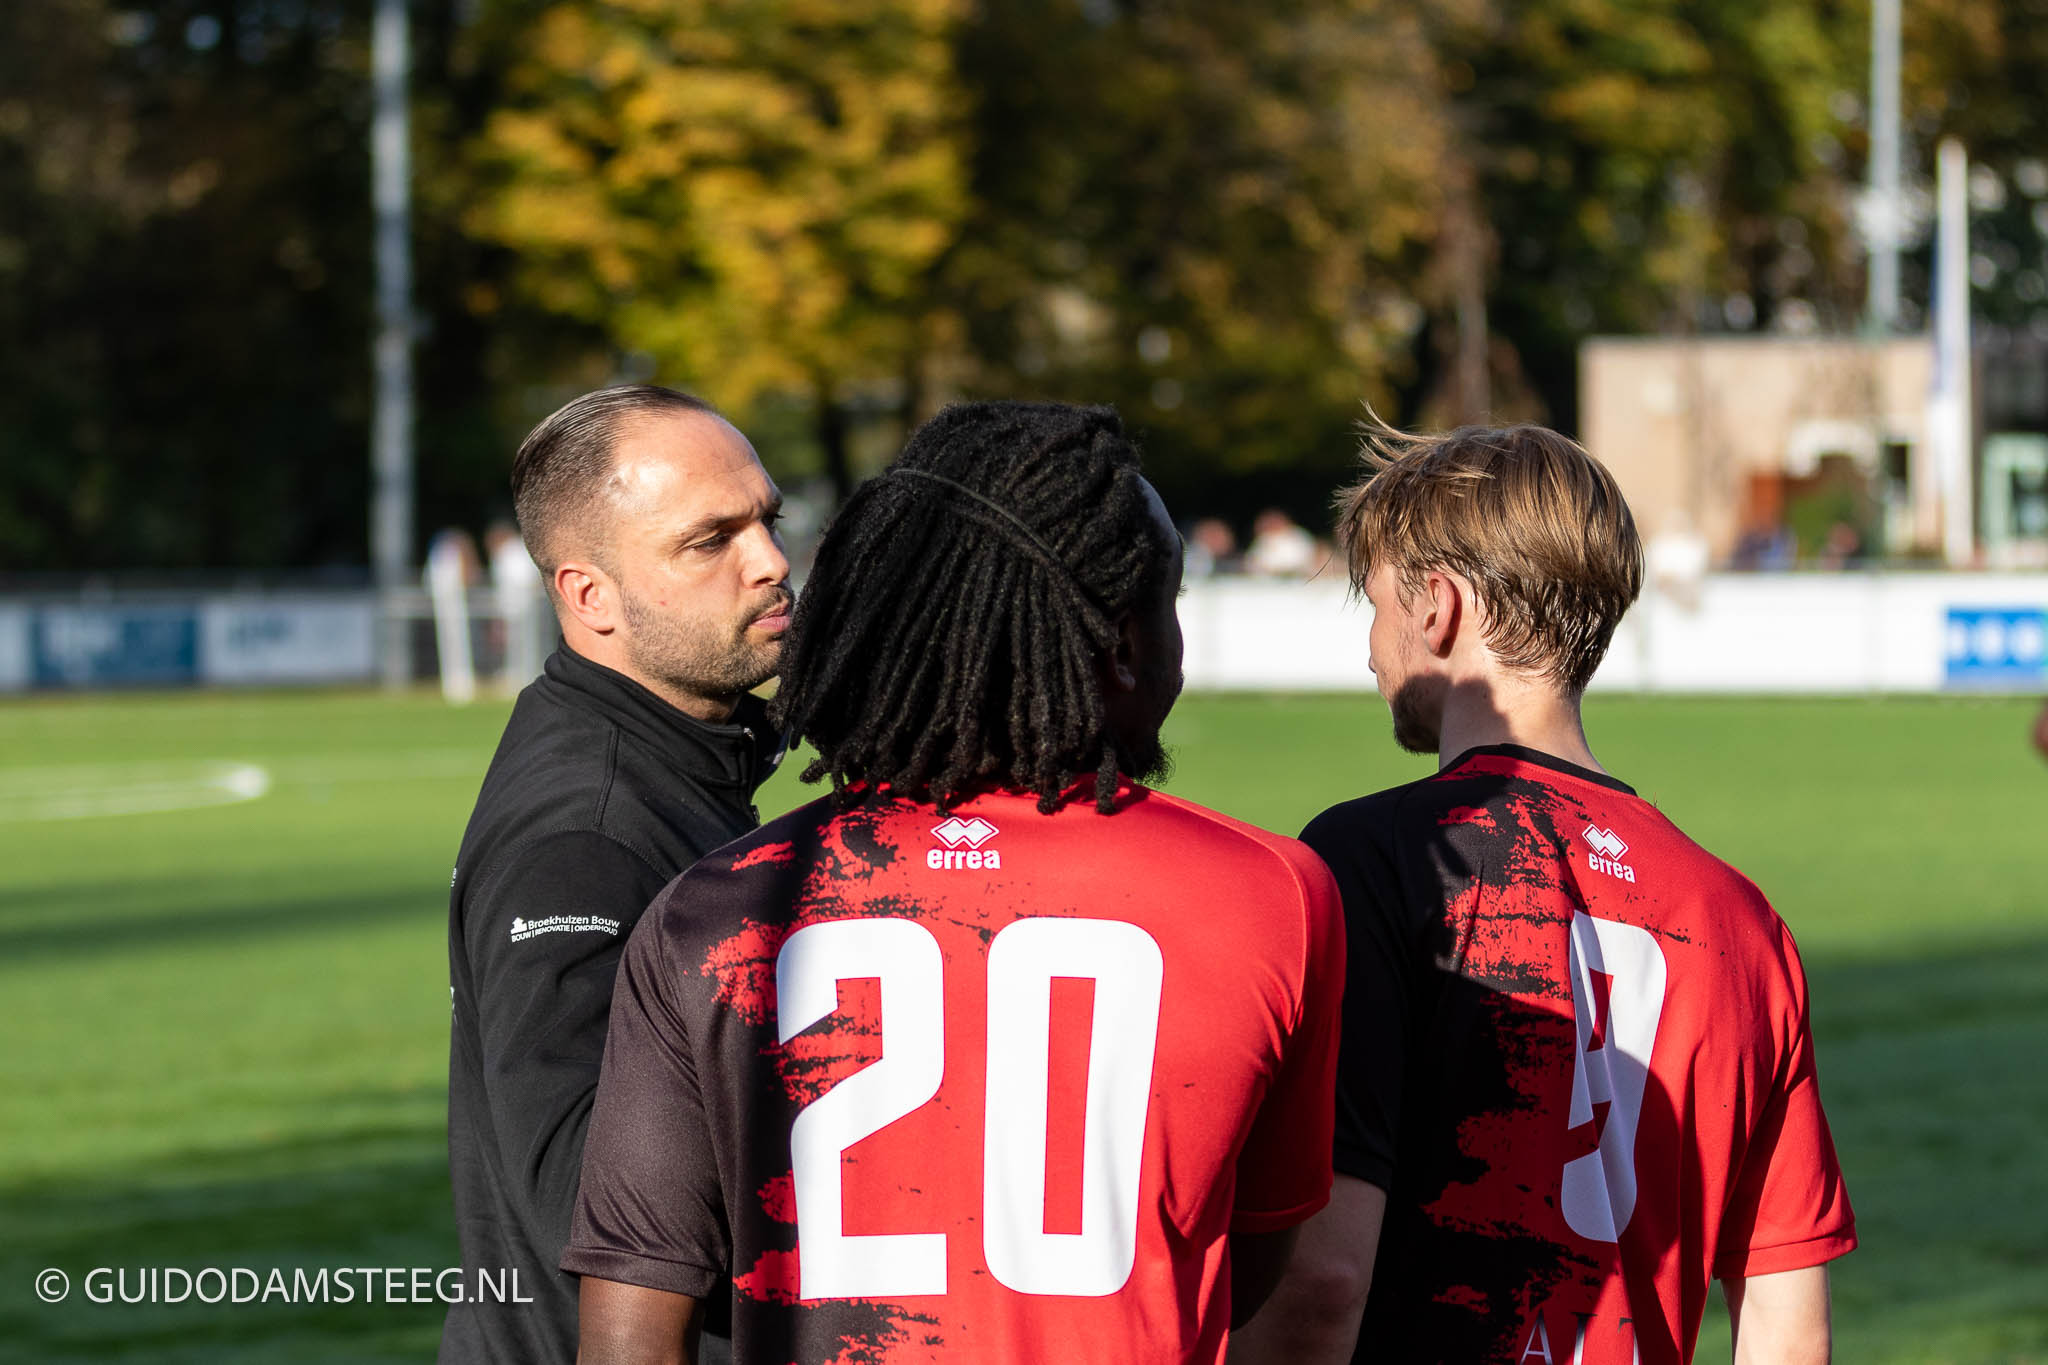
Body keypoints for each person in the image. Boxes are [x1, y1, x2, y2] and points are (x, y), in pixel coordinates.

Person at [560, 401, 1346, 1364]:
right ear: (1126, 640)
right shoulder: (1271, 891)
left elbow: (630, 1324)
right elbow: (1247, 1263)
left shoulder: (712, 910)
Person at [1232, 423, 1855, 1365]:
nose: (1369, 649)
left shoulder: (1379, 858)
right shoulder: (1740, 918)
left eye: (1375, 603)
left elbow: (1323, 1283)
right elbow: (1785, 1315)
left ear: (1436, 607)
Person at [440, 385, 790, 1365]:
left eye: (767, 520)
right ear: (589, 597)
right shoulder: (585, 836)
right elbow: (590, 1209)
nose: (768, 562)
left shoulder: (674, 753)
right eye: (707, 540)